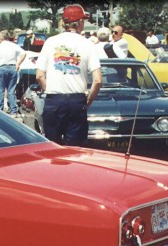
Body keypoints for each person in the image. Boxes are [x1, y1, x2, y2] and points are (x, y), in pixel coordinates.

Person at [35, 3, 102, 147]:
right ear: (79, 23)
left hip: (54, 100)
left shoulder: (50, 42)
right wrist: (87, 101)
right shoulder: (88, 44)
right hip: (77, 100)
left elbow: (39, 75)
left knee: (52, 148)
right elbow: (97, 80)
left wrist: (50, 91)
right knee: (76, 151)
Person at [0, 30, 24, 117]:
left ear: (1, 38)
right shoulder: (14, 45)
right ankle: (13, 111)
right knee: (11, 90)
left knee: (0, 91)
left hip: (1, 68)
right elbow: (23, 53)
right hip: (12, 67)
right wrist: (18, 63)